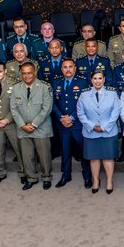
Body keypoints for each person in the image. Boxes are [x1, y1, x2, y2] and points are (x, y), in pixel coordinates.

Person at [76, 70, 122, 194]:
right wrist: (92, 126)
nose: (97, 81)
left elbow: (116, 112)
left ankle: (109, 181)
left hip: (108, 131)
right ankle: (96, 180)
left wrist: (104, 127)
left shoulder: (112, 94)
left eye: (100, 78)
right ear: (91, 80)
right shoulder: (84, 95)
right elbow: (80, 113)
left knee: (108, 158)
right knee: (94, 158)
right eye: (95, 78)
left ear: (104, 79)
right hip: (90, 132)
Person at [11, 62, 54, 190]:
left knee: (44, 155)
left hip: (41, 128)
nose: (27, 76)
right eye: (24, 73)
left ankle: (46, 177)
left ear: (34, 72)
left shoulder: (45, 87)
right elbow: (13, 109)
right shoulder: (15, 88)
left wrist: (34, 124)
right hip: (23, 128)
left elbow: (47, 109)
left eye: (29, 73)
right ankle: (31, 178)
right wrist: (22, 125)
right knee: (27, 155)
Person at [52, 59, 91, 189]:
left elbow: (85, 102)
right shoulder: (56, 82)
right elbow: (53, 103)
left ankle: (87, 175)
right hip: (62, 124)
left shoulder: (83, 81)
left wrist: (72, 117)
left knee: (83, 151)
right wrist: (61, 117)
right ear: (61, 69)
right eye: (65, 67)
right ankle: (66, 175)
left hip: (78, 123)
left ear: (75, 68)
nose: (68, 69)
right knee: (65, 151)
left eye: (70, 67)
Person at [0, 62, 20, 184]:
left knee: (18, 148)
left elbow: (17, 104)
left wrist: (7, 119)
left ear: (5, 71)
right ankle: (0, 173)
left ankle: (23, 172)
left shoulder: (15, 83)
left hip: (11, 123)